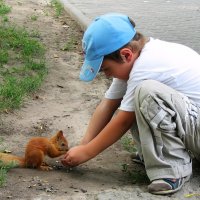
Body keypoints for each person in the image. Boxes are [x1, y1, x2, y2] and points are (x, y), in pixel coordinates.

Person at [61, 13, 200, 195]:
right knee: (137, 96)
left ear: (126, 55)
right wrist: (84, 144)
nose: (107, 75)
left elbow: (123, 120)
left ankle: (173, 171)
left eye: (106, 70)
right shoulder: (136, 60)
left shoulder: (147, 66)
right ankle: (153, 155)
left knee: (147, 93)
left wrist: (87, 153)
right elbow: (108, 105)